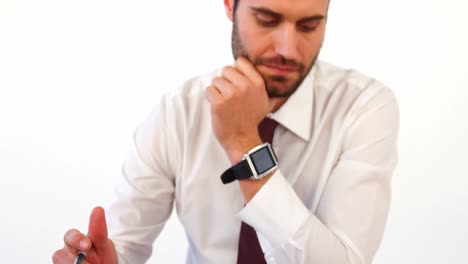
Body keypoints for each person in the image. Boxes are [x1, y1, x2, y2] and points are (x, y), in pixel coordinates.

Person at [52, 0, 399, 263]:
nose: (287, 50)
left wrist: (243, 143)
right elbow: (123, 246)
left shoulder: (363, 107)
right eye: (267, 20)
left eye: (309, 26)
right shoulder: (180, 112)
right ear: (230, 5)